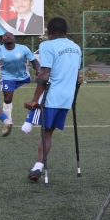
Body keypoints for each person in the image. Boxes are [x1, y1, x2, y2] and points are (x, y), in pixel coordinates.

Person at [23, 17, 81, 181]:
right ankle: (38, 166)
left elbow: (44, 74)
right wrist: (74, 98)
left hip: (51, 96)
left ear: (48, 32)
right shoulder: (76, 47)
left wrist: (34, 100)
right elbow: (77, 76)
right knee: (47, 131)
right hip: (66, 98)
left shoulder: (47, 45)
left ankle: (37, 167)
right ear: (66, 32)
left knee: (41, 131)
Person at [0, 32, 41, 123]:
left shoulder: (23, 48)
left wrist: (38, 71)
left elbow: (34, 62)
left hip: (23, 77)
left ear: (15, 39)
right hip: (7, 77)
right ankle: (8, 121)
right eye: (5, 35)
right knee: (7, 98)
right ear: (2, 40)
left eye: (11, 35)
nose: (8, 36)